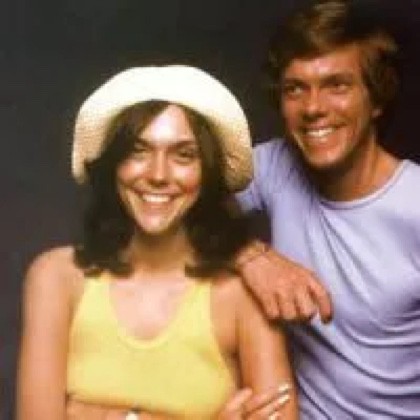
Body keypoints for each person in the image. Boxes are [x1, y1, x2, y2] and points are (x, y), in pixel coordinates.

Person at [16, 65, 298, 419]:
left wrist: (95, 415)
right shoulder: (56, 278)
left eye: (183, 155)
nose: (158, 175)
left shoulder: (243, 295)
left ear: (206, 172)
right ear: (113, 164)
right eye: (138, 151)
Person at [236, 0, 420, 418]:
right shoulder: (275, 166)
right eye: (295, 88)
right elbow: (176, 205)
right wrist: (250, 255)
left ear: (376, 100)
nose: (313, 107)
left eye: (337, 85)